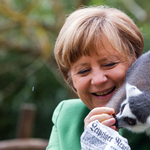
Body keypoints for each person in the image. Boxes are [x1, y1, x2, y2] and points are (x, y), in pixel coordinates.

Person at [46, 5, 150, 150]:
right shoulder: (67, 116)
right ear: (70, 79)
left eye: (109, 64)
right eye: (83, 71)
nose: (98, 79)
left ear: (136, 63)